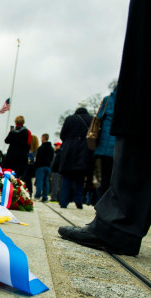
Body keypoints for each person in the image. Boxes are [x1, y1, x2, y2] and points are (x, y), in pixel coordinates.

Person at [59, 0, 151, 256]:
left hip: (108, 145)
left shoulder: (101, 106)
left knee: (140, 75)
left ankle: (118, 224)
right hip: (103, 149)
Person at [58, 107, 93, 209]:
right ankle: (78, 201)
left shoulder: (70, 119)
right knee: (80, 177)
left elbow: (62, 135)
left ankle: (63, 201)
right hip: (85, 150)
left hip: (70, 149)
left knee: (67, 177)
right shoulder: (91, 119)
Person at [94, 84, 117, 198]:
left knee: (105, 176)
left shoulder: (108, 100)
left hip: (106, 143)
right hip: (120, 145)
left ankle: (103, 203)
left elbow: (98, 117)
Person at [34, 134, 54, 202]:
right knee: (46, 182)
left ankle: (37, 195)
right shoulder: (51, 148)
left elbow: (38, 158)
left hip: (40, 166)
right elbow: (52, 157)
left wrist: (36, 165)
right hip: (48, 166)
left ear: (43, 138)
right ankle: (45, 196)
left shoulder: (41, 148)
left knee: (39, 181)